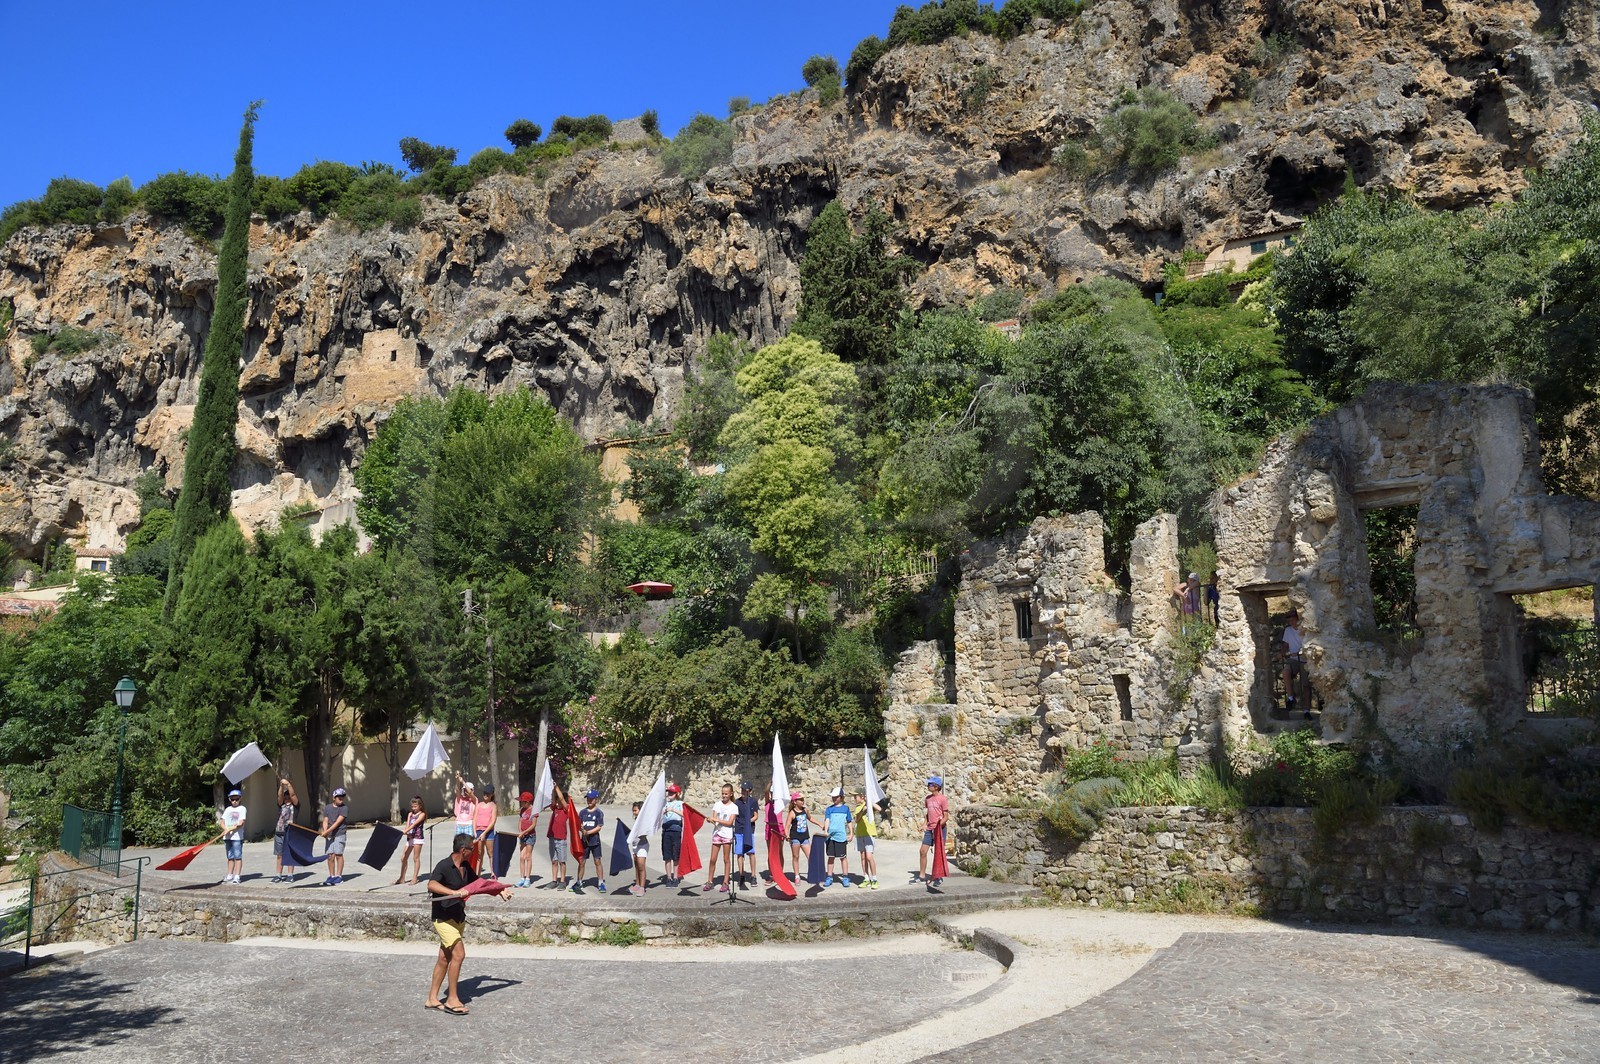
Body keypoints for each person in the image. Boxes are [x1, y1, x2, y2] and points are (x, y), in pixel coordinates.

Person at [425, 833, 513, 1015]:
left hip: (458, 917)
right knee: (459, 954)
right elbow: (431, 884)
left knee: (444, 958)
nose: (475, 852)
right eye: (472, 849)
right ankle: (452, 999)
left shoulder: (465, 866)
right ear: (463, 850)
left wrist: (500, 891)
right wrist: (453, 892)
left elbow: (480, 884)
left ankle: (432, 999)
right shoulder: (444, 865)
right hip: (442, 918)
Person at [572, 789, 606, 893]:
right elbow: (578, 825)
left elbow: (599, 827)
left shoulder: (599, 813)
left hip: (594, 841)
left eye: (592, 799)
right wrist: (581, 829)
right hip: (584, 841)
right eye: (588, 799)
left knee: (597, 861)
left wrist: (589, 832)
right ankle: (579, 881)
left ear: (596, 799)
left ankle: (600, 883)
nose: (589, 801)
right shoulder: (582, 812)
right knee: (582, 861)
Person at [704, 783, 736, 892]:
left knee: (726, 859)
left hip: (727, 834)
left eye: (726, 794)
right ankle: (710, 881)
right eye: (723, 794)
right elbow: (714, 818)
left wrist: (716, 820)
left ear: (731, 794)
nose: (724, 796)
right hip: (717, 833)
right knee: (713, 859)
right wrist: (711, 820)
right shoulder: (717, 804)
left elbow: (730, 822)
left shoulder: (734, 807)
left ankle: (725, 882)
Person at [917, 776, 948, 885]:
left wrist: (939, 827)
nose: (928, 786)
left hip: (940, 830)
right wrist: (924, 824)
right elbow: (928, 814)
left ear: (936, 786)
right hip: (929, 830)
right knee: (922, 851)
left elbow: (946, 817)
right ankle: (922, 876)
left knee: (938, 853)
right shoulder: (928, 799)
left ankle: (938, 877)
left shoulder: (943, 799)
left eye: (930, 784)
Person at [822, 787, 853, 887]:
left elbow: (849, 821)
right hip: (830, 837)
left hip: (841, 837)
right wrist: (826, 831)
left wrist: (851, 833)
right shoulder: (829, 809)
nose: (834, 799)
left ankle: (845, 877)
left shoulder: (846, 809)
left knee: (843, 857)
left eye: (836, 797)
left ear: (841, 797)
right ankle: (829, 876)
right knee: (831, 857)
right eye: (833, 797)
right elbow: (827, 820)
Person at [272, 777, 299, 883]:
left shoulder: (295, 806)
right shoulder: (281, 806)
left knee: (290, 853)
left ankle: (290, 875)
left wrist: (288, 785)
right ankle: (278, 875)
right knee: (279, 855)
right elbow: (279, 796)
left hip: (291, 833)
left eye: (289, 797)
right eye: (286, 797)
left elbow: (293, 795)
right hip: (279, 832)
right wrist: (281, 786)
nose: (287, 798)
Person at [733, 781, 760, 889]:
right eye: (742, 790)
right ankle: (741, 874)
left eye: (746, 790)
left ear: (750, 791)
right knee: (739, 853)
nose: (743, 792)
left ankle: (753, 875)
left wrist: (749, 821)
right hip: (739, 829)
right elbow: (734, 815)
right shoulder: (737, 802)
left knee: (751, 852)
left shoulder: (753, 801)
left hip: (749, 830)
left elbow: (756, 816)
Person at [852, 789, 881, 889]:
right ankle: (866, 878)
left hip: (869, 834)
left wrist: (869, 802)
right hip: (860, 834)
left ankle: (874, 878)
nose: (854, 799)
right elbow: (856, 820)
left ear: (862, 797)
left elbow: (879, 808)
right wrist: (862, 810)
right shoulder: (857, 808)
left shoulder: (869, 806)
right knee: (863, 857)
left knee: (869, 856)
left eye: (856, 797)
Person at [396, 795, 427, 885]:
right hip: (410, 837)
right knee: (403, 857)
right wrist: (406, 831)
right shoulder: (410, 814)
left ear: (420, 806)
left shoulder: (422, 814)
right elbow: (408, 824)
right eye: (412, 806)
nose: (413, 808)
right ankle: (402, 878)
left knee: (415, 858)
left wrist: (407, 830)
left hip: (418, 837)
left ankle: (415, 878)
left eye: (415, 806)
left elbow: (414, 825)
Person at [321, 787, 349, 886]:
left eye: (342, 797)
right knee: (330, 856)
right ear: (334, 798)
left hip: (339, 834)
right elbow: (325, 820)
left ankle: (339, 876)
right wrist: (325, 831)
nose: (341, 799)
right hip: (329, 835)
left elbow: (337, 823)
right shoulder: (328, 807)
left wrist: (327, 831)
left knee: (338, 854)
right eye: (339, 797)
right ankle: (332, 876)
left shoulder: (344, 808)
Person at [219, 789, 247, 884]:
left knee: (237, 856)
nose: (234, 801)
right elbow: (222, 821)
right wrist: (225, 829)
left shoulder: (242, 808)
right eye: (232, 799)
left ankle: (237, 876)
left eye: (236, 799)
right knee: (230, 857)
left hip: (237, 837)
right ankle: (230, 875)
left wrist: (230, 829)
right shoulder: (227, 809)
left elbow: (241, 823)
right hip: (227, 837)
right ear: (230, 799)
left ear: (240, 799)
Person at [1281, 609, 1306, 712]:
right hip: (1293, 659)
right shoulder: (1288, 630)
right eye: (1289, 621)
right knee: (1285, 672)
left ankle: (1307, 710)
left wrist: (1301, 652)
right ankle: (1291, 698)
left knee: (1306, 685)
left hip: (1305, 660)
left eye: (1293, 620)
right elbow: (1285, 645)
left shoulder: (1304, 629)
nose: (1291, 622)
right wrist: (1283, 652)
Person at [547, 783, 570, 889]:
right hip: (552, 838)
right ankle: (554, 880)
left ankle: (562, 881)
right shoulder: (555, 809)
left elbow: (561, 798)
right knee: (554, 861)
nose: (557, 803)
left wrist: (556, 787)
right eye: (556, 801)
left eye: (559, 801)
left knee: (562, 861)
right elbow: (552, 800)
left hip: (561, 839)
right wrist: (552, 791)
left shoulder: (566, 810)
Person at [513, 790, 539, 888]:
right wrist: (520, 831)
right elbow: (520, 822)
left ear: (527, 802)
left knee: (528, 856)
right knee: (521, 857)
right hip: (523, 836)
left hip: (530, 836)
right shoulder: (522, 810)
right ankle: (521, 878)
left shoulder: (534, 811)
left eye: (522, 801)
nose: (521, 803)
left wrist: (524, 832)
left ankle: (527, 878)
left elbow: (533, 824)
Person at [660, 783, 684, 886]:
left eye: (672, 793)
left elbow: (684, 814)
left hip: (676, 830)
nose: (669, 794)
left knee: (676, 855)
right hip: (666, 830)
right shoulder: (665, 803)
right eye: (669, 792)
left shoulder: (680, 803)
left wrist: (673, 809)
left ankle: (676, 877)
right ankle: (668, 877)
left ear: (677, 794)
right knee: (667, 855)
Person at [785, 793, 813, 881]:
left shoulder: (805, 810)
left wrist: (820, 824)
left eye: (802, 799)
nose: (802, 801)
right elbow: (787, 825)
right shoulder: (792, 813)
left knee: (811, 856)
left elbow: (810, 818)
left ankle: (812, 874)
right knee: (796, 856)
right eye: (800, 800)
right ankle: (797, 876)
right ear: (795, 802)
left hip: (804, 837)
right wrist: (787, 835)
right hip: (795, 838)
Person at [473, 784, 498, 878]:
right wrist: (475, 832)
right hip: (478, 831)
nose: (485, 795)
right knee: (479, 854)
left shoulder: (493, 806)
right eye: (484, 793)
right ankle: (477, 874)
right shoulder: (479, 805)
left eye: (488, 794)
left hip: (488, 832)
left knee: (490, 853)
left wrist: (484, 833)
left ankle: (493, 872)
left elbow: (493, 821)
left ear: (491, 794)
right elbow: (474, 819)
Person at [629, 800, 650, 894]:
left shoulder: (644, 821)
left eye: (635, 810)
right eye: (633, 810)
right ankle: (637, 884)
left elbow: (644, 833)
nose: (634, 812)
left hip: (642, 845)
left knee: (641, 866)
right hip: (635, 845)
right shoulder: (636, 821)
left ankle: (642, 887)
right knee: (637, 866)